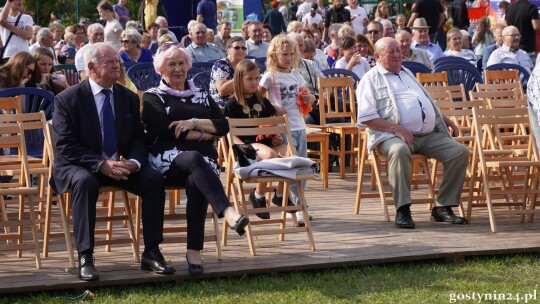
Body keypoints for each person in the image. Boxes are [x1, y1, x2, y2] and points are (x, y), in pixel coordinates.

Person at [52, 42, 175, 281]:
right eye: (109, 62)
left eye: (117, 61)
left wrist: (134, 163)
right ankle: (86, 256)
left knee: (153, 178)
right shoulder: (68, 99)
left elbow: (140, 139)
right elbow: (66, 145)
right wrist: (101, 165)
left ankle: (151, 252)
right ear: (91, 67)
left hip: (121, 164)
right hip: (81, 165)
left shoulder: (127, 97)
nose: (117, 65)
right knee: (85, 182)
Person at [141, 43, 249, 274]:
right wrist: (204, 134)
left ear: (188, 66)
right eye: (172, 64)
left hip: (202, 163)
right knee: (193, 157)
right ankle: (228, 212)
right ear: (161, 68)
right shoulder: (153, 97)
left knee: (196, 179)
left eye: (181, 63)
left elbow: (223, 126)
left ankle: (193, 251)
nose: (178, 69)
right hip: (167, 160)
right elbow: (161, 129)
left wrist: (193, 124)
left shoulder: (202, 93)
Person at [356, 37, 469, 229]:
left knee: (460, 152)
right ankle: (403, 210)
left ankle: (443, 207)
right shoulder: (370, 79)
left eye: (398, 51)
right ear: (377, 56)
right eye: (391, 51)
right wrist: (397, 129)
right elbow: (365, 118)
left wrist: (444, 118)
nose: (398, 55)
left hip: (426, 135)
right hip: (390, 135)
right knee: (399, 151)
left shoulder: (407, 72)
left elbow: (424, 101)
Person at [259, 34, 315, 226]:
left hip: (299, 124)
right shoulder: (270, 76)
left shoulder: (296, 74)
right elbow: (258, 98)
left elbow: (308, 95)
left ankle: (293, 201)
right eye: (284, 55)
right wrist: (272, 106)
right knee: (291, 165)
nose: (289, 58)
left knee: (301, 165)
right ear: (275, 55)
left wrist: (310, 99)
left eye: (292, 54)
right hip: (282, 128)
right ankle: (298, 207)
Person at [224, 59, 291, 219]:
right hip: (246, 145)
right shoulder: (232, 104)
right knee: (270, 156)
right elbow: (230, 133)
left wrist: (276, 137)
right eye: (249, 79)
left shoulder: (262, 100)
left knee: (289, 155)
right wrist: (240, 148)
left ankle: (280, 194)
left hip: (265, 143)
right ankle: (258, 195)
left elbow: (270, 125)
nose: (254, 83)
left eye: (256, 79)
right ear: (239, 79)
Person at [210, 36, 246, 109]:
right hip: (222, 105)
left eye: (243, 48)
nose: (241, 50)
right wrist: (243, 78)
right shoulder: (221, 65)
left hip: (241, 102)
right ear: (228, 50)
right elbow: (222, 91)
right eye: (237, 48)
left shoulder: (245, 64)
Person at [0, 0, 33, 64]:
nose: (20, 1)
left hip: (24, 54)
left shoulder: (27, 17)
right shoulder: (2, 16)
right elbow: (2, 21)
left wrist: (9, 26)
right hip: (8, 54)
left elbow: (28, 35)